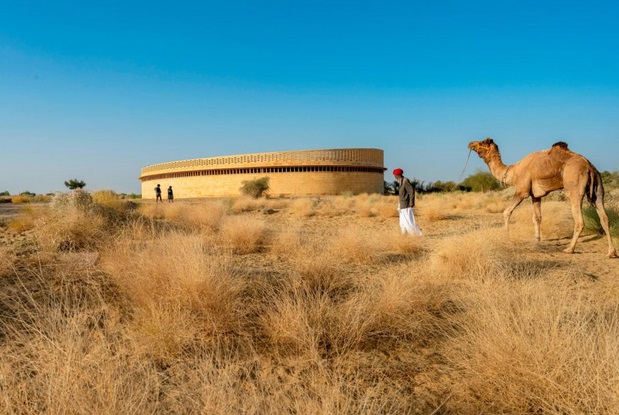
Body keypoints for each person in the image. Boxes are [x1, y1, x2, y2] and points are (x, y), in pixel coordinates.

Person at [393, 168, 422, 236]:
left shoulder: (405, 180)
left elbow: (411, 191)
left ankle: (417, 235)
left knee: (409, 222)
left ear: (398, 175)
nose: (394, 176)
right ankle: (404, 235)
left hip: (407, 205)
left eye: (395, 175)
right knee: (402, 222)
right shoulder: (400, 181)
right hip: (402, 204)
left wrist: (411, 203)